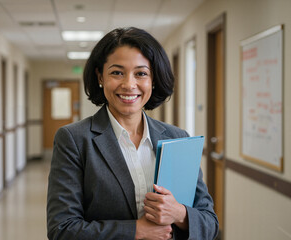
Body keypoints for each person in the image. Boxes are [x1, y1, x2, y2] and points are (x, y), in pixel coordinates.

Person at [47, 27, 218, 240]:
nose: (129, 84)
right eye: (117, 72)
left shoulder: (177, 138)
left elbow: (210, 224)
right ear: (100, 76)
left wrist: (180, 214)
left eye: (141, 73)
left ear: (153, 79)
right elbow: (62, 229)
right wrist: (137, 230)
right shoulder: (74, 139)